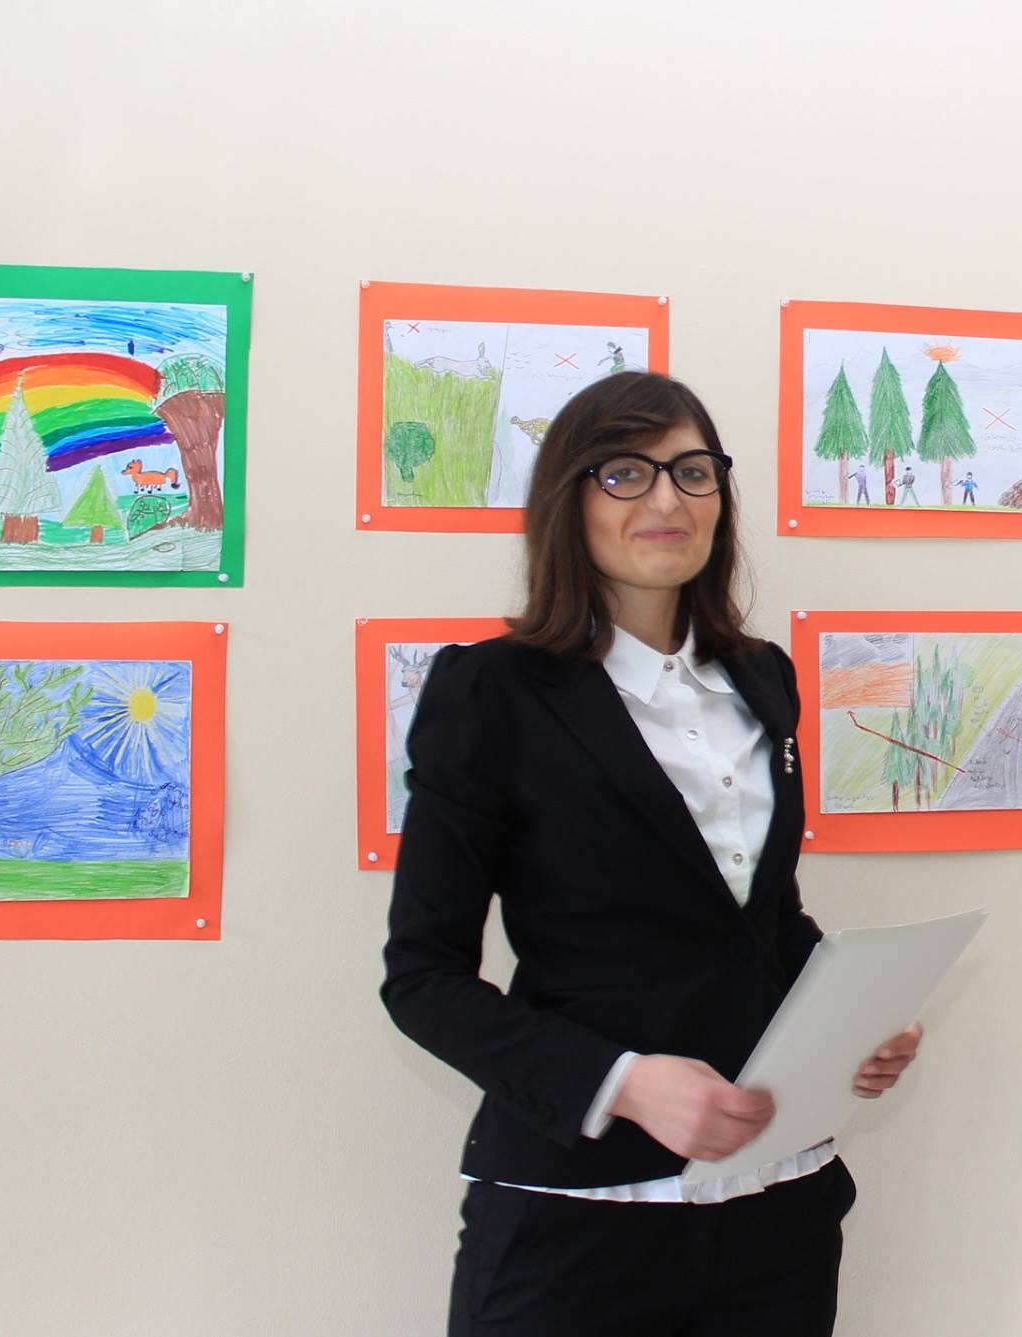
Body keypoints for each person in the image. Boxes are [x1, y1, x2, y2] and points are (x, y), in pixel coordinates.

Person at [382, 372, 923, 1336]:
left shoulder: (763, 677)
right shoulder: (490, 692)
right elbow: (423, 979)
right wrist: (623, 1081)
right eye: (625, 473)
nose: (668, 499)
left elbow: (762, 920)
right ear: (570, 500)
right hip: (579, 1221)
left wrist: (852, 1017)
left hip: (778, 1207)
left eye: (693, 471)